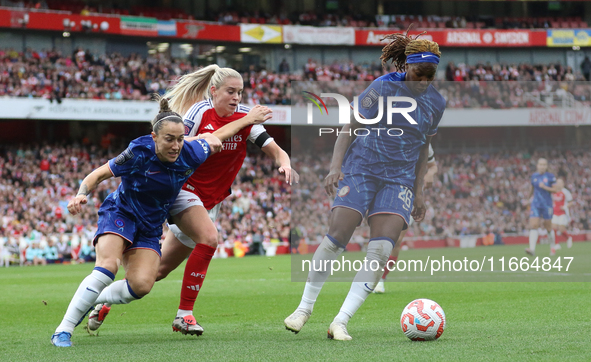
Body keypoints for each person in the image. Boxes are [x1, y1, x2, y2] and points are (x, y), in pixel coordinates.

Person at [86, 65, 294, 336]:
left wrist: (285, 164)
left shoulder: (246, 117)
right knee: (209, 238)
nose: (236, 98)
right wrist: (243, 122)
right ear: (213, 91)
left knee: (156, 272)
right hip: (184, 189)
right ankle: (184, 315)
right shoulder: (200, 112)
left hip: (211, 200)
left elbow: (275, 150)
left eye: (240, 93)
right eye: (230, 92)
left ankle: (98, 300)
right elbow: (182, 144)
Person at [50, 96, 268, 347]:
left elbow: (215, 137)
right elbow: (99, 174)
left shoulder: (191, 152)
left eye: (180, 138)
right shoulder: (138, 151)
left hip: (151, 225)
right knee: (108, 266)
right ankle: (64, 329)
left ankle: (92, 300)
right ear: (154, 138)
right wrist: (80, 194)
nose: (176, 145)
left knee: (142, 286)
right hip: (121, 213)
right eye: (169, 139)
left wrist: (248, 120)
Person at [284, 29, 445, 340]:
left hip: (399, 180)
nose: (424, 82)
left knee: (382, 249)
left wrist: (420, 192)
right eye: (418, 74)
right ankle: (304, 309)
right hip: (362, 170)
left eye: (430, 76)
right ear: (406, 66)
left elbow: (424, 147)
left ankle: (341, 321)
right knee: (337, 237)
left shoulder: (436, 103)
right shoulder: (381, 87)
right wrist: (335, 167)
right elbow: (349, 127)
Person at [373, 143, 438, 294]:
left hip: (407, 193)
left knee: (396, 241)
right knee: (378, 237)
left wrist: (430, 173)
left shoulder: (424, 140)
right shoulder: (388, 135)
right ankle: (371, 275)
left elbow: (433, 166)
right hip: (382, 188)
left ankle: (381, 278)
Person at [525, 158, 559, 256]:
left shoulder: (550, 176)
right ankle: (532, 249)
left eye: (544, 164)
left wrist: (545, 187)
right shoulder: (534, 176)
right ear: (537, 165)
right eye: (540, 164)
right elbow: (532, 188)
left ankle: (553, 247)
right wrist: (528, 198)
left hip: (547, 204)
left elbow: (555, 190)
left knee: (548, 227)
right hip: (536, 204)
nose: (542, 166)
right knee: (534, 225)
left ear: (546, 166)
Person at [551, 178, 574, 250]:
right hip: (555, 213)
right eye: (557, 182)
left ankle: (568, 237)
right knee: (553, 227)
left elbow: (571, 202)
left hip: (562, 213)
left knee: (561, 229)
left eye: (560, 183)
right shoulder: (553, 191)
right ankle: (557, 244)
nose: (558, 184)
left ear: (563, 184)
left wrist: (565, 207)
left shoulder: (565, 192)